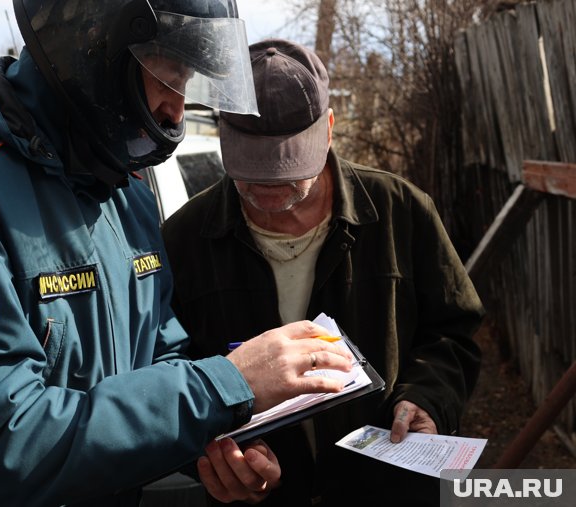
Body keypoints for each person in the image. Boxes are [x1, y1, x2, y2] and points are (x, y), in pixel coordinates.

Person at [0, 4, 355, 506]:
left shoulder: (117, 188)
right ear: (95, 52)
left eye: (187, 83)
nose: (176, 110)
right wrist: (225, 385)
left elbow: (157, 356)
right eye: (168, 77)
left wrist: (217, 441)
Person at [162, 38, 485, 506]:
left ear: (328, 129)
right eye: (252, 172)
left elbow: (453, 332)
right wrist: (223, 457)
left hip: (384, 489)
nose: (269, 189)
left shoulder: (401, 212)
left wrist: (428, 398)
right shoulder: (184, 240)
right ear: (221, 136)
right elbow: (167, 373)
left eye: (288, 169)